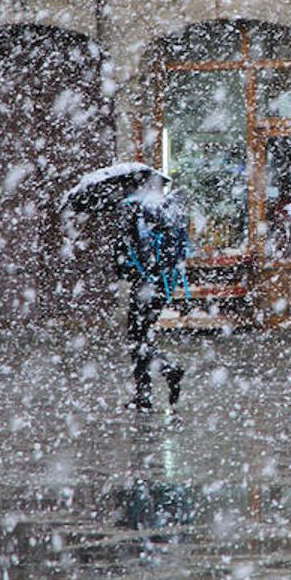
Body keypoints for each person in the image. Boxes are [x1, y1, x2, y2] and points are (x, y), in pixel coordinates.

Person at [114, 171, 188, 412]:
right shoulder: (164, 209)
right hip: (162, 282)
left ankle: (163, 375)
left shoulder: (135, 210)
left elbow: (124, 255)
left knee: (137, 339)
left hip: (144, 284)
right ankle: (144, 393)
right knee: (141, 336)